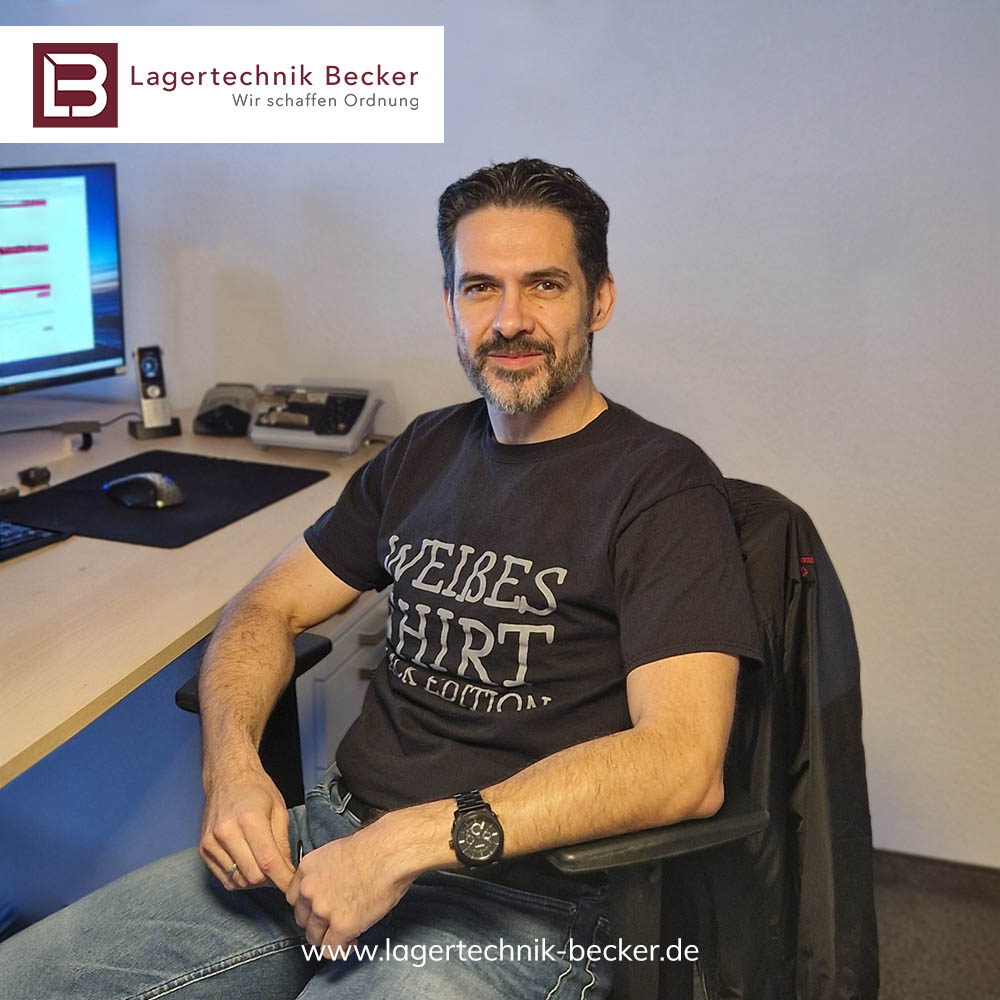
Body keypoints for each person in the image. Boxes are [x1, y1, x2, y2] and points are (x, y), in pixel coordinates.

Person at [0, 158, 760, 999]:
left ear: (600, 300)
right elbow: (266, 607)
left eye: (544, 285)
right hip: (330, 838)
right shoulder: (424, 451)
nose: (510, 320)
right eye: (480, 288)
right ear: (449, 306)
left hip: (523, 896)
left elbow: (683, 763)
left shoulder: (662, 485)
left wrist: (404, 844)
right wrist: (231, 770)